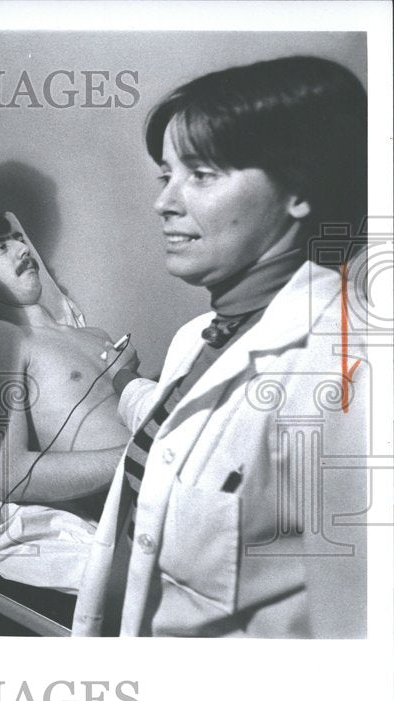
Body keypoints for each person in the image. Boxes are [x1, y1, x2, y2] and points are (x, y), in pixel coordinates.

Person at [73, 56, 369, 638]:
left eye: (202, 174)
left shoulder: (345, 371)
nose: (164, 202)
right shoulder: (199, 337)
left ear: (300, 191)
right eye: (166, 176)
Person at [0, 211, 142, 589]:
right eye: (0, 248)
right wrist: (137, 460)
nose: (22, 249)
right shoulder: (7, 343)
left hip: (170, 472)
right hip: (135, 502)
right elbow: (13, 475)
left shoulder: (95, 334)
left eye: (18, 239)